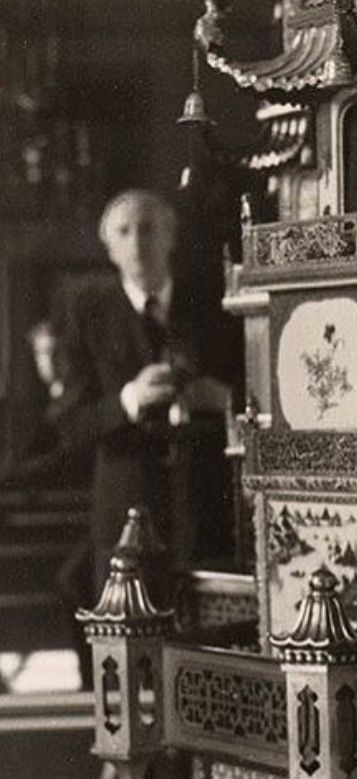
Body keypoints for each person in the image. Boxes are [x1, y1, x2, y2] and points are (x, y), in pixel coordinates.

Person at [52, 188, 235, 598]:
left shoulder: (209, 302)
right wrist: (129, 400)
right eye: (124, 232)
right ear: (110, 249)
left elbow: (251, 386)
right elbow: (69, 424)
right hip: (125, 519)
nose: (137, 242)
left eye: (148, 229)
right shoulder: (88, 313)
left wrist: (225, 400)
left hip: (205, 513)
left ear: (170, 238)